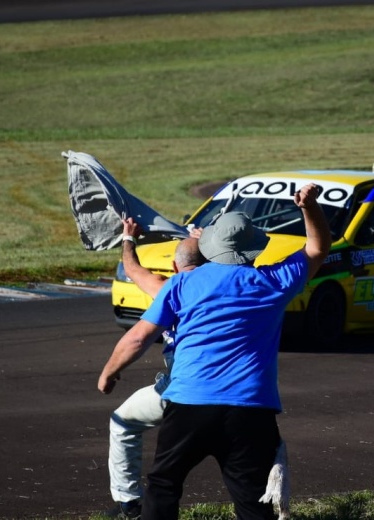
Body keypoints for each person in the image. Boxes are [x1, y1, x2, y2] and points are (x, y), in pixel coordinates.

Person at [98, 183, 331, 520]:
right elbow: (318, 247)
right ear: (254, 249)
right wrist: (309, 207)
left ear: (211, 249)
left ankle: (130, 505)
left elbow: (138, 337)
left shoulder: (180, 284)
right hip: (250, 409)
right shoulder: (274, 282)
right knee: (254, 499)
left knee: (163, 486)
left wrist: (109, 371)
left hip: (189, 404)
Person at [104, 220, 206, 519]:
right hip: (236, 391)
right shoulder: (235, 286)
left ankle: (130, 505)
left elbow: (133, 270)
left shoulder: (168, 287)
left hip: (182, 391)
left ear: (175, 266)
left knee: (123, 423)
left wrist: (127, 238)